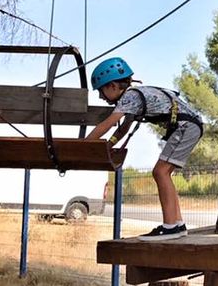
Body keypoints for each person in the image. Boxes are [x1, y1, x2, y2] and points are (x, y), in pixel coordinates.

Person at [86, 57, 203, 241]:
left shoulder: (129, 97)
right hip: (191, 125)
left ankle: (170, 226)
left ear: (113, 86)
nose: (101, 97)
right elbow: (123, 128)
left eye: (101, 91)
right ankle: (177, 224)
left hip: (186, 127)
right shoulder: (135, 95)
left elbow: (108, 123)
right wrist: (108, 145)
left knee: (160, 172)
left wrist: (85, 145)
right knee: (164, 173)